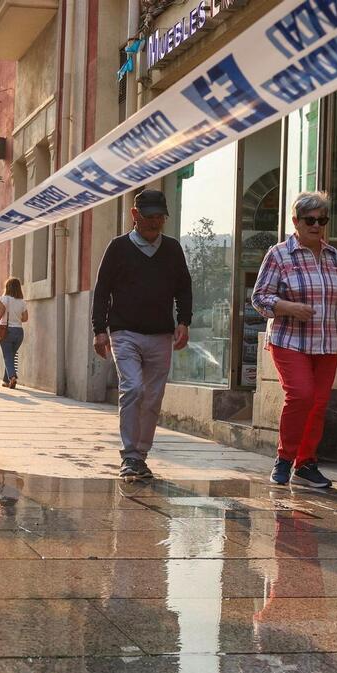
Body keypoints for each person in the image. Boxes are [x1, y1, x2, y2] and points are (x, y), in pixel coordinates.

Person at [252, 191, 337, 489]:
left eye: (322, 219)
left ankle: (305, 464)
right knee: (301, 396)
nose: (317, 225)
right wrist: (287, 307)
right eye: (310, 220)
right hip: (289, 340)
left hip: (325, 344)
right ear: (296, 221)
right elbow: (259, 298)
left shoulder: (334, 258)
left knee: (317, 404)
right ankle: (283, 459)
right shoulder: (279, 254)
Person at [91, 189, 192, 481]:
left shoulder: (172, 249)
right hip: (125, 332)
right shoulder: (118, 247)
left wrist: (184, 321)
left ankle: (141, 455)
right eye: (149, 217)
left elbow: (183, 287)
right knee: (133, 388)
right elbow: (102, 291)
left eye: (160, 217)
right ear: (135, 215)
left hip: (161, 335)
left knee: (153, 397)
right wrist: (100, 330)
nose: (155, 222)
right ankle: (130, 454)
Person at [0, 277, 29, 390]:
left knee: (7, 356)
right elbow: (25, 318)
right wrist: (16, 317)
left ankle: (12, 376)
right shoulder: (22, 302)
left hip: (6, 331)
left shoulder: (4, 299)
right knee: (11, 355)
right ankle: (6, 381)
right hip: (19, 332)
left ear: (7, 287)